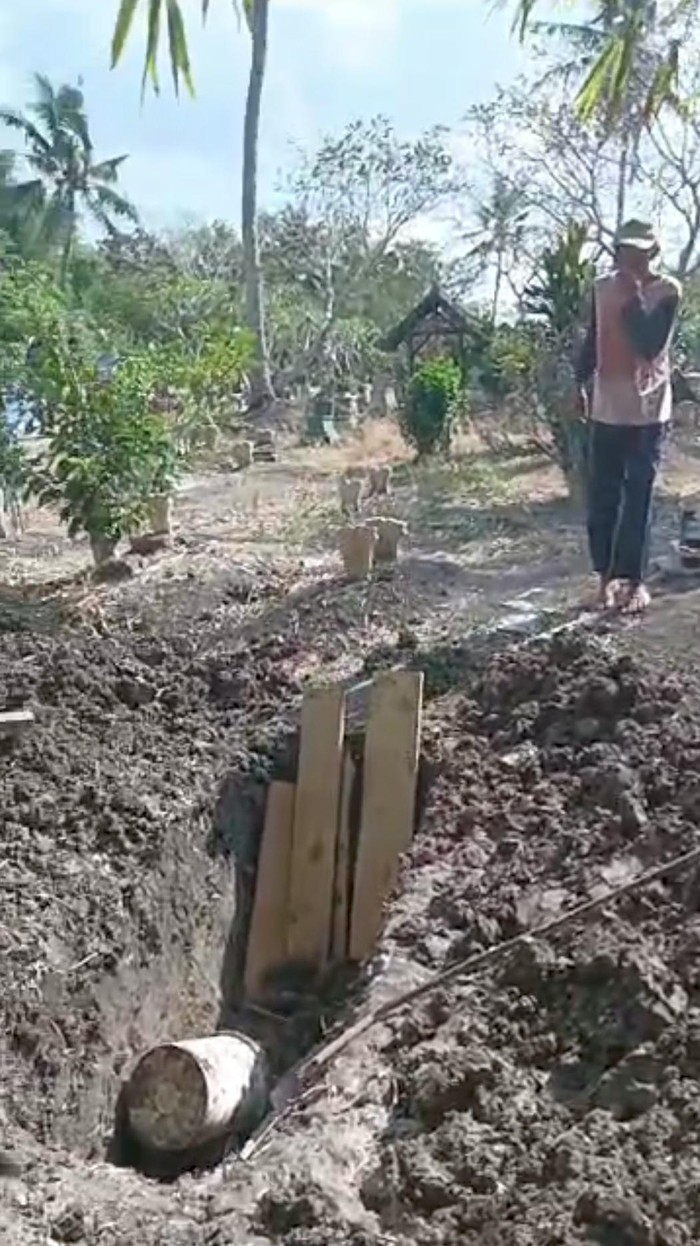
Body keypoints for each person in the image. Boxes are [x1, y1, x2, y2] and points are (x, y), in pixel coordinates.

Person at [576, 219, 681, 614]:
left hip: (650, 411)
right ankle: (603, 578)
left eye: (638, 252)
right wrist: (578, 383)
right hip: (608, 406)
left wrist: (632, 298)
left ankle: (634, 582)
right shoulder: (602, 289)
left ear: (651, 253)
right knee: (603, 495)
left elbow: (650, 345)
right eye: (624, 251)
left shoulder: (666, 292)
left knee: (638, 495)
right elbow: (594, 335)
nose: (630, 259)